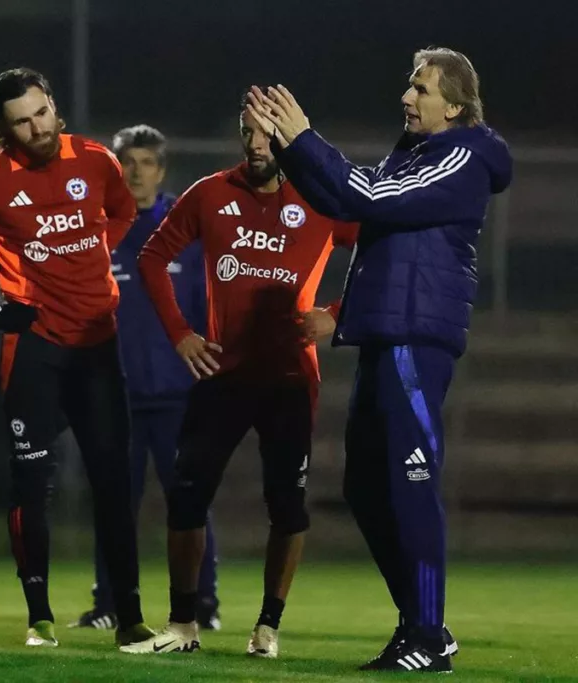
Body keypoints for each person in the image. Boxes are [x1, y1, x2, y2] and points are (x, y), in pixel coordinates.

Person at [246, 46, 512, 672]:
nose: (407, 97)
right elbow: (347, 200)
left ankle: (425, 635)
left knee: (411, 481)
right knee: (365, 486)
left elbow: (368, 195)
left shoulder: (463, 156)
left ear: (455, 105)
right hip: (387, 332)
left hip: (417, 336)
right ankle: (426, 627)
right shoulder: (422, 151)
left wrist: (306, 137)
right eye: (409, 85)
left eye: (421, 88)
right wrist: (289, 146)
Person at [120, 92, 357, 657]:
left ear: (288, 135)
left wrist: (336, 315)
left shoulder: (323, 200)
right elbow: (153, 257)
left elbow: (383, 251)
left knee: (288, 506)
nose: (254, 145)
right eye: (246, 132)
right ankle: (182, 627)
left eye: (266, 133)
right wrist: (180, 331)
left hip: (290, 379)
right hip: (222, 374)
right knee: (185, 497)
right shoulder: (211, 194)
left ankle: (267, 628)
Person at [0, 67, 153, 649]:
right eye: (20, 122)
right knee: (32, 482)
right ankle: (40, 617)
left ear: (54, 107)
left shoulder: (98, 160)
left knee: (113, 482)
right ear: (3, 132)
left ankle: (129, 617)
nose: (36, 128)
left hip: (98, 348)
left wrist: (98, 254)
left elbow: (124, 211)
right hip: (35, 349)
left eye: (40, 113)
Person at [70, 124, 221, 632]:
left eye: (147, 162)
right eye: (126, 163)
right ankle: (109, 602)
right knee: (114, 501)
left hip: (179, 394)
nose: (136, 172)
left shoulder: (187, 229)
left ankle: (203, 603)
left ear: (162, 169)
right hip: (114, 394)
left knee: (189, 499)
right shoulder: (94, 225)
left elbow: (209, 311)